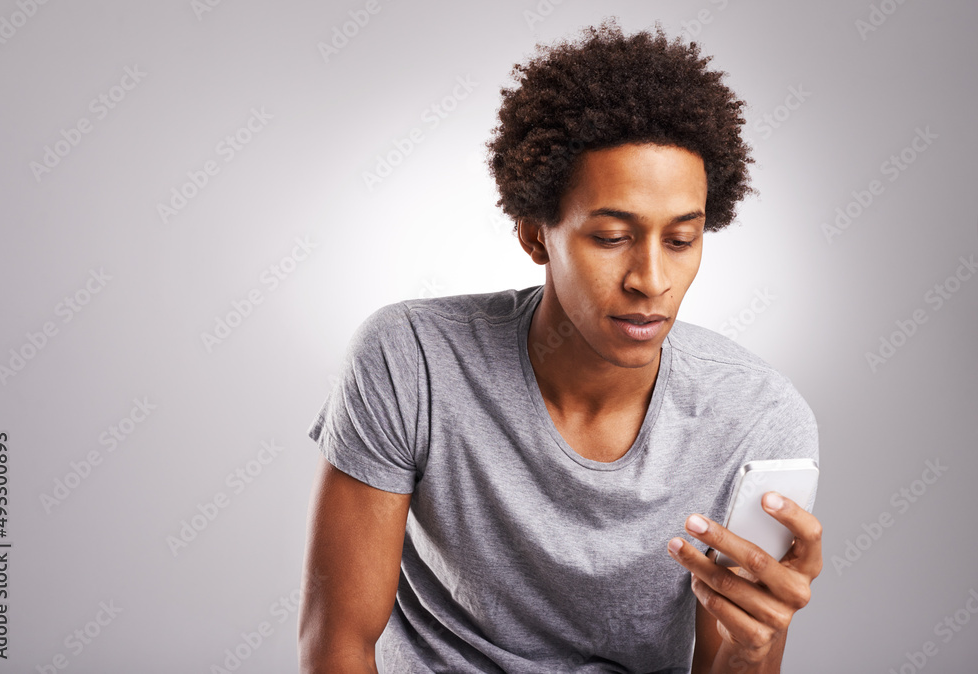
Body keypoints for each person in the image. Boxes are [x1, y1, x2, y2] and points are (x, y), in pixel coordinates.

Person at [298, 17, 822, 674]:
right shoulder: (410, 360)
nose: (651, 280)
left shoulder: (758, 419)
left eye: (682, 240)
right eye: (610, 236)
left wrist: (754, 645)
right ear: (535, 234)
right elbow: (335, 644)